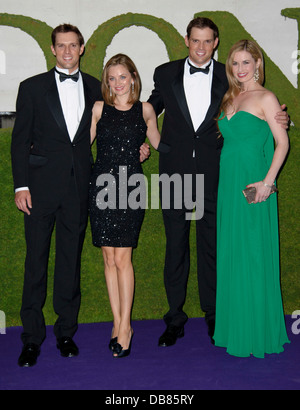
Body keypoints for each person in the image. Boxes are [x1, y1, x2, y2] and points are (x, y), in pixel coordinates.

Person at [11, 25, 150, 367]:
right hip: (40, 191)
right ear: (53, 49)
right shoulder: (31, 88)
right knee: (35, 264)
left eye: (74, 45)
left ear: (82, 48)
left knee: (69, 264)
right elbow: (19, 141)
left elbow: (119, 126)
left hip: (81, 190)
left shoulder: (95, 88)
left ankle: (65, 332)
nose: (68, 51)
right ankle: (31, 339)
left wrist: (139, 147)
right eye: (62, 46)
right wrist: (21, 185)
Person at [148, 17, 289, 347]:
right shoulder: (165, 73)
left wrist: (283, 117)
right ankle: (174, 318)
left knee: (213, 247)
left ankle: (214, 315)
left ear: (215, 42)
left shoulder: (231, 78)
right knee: (175, 247)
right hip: (175, 172)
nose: (200, 47)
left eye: (207, 41)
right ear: (186, 40)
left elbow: (259, 114)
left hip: (218, 176)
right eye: (195, 40)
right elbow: (147, 109)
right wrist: (145, 138)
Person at [213, 40, 290, 358]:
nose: (240, 68)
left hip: (253, 186)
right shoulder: (231, 96)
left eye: (246, 62)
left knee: (254, 254)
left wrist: (267, 183)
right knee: (234, 252)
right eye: (234, 63)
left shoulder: (266, 97)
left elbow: (282, 143)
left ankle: (256, 331)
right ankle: (236, 327)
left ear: (258, 63)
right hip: (229, 186)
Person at [89, 54, 163, 358]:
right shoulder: (97, 109)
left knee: (123, 258)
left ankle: (125, 326)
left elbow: (161, 142)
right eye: (112, 78)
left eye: (123, 76)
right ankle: (118, 322)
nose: (117, 83)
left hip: (130, 188)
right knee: (108, 258)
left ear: (133, 77)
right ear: (107, 82)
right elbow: (79, 145)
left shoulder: (145, 110)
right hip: (101, 187)